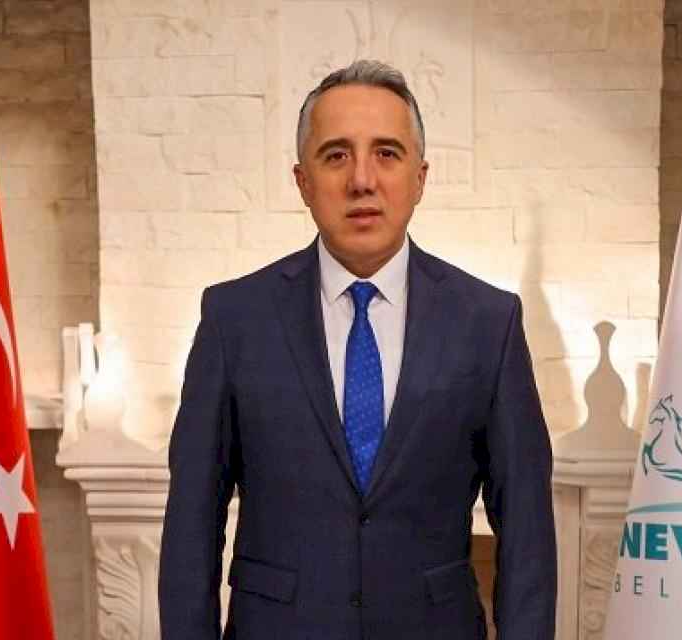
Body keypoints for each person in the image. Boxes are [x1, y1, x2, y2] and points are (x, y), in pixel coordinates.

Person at [159, 59, 556, 640]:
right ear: (303, 181)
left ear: (420, 177)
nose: (362, 180)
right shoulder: (234, 319)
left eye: (387, 153)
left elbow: (526, 532)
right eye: (336, 155)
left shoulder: (488, 323)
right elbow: (191, 526)